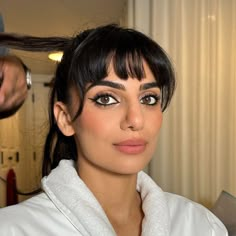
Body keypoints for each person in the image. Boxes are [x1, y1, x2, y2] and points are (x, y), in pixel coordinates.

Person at [0, 24, 228, 235]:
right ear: (65, 118)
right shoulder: (14, 228)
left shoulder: (200, 224)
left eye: (148, 98)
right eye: (107, 98)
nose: (136, 120)